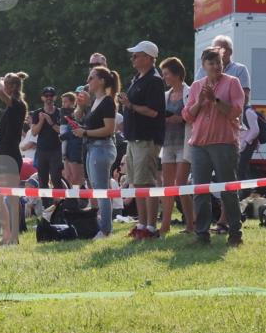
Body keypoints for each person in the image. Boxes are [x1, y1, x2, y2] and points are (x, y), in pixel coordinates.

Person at [183, 46, 246, 246]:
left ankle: (235, 233)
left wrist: (215, 100)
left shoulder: (232, 83)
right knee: (200, 190)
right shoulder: (196, 86)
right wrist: (200, 102)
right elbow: (188, 115)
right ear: (204, 65)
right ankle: (202, 234)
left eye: (218, 62)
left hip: (224, 143)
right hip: (199, 144)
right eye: (211, 63)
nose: (216, 66)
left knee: (228, 189)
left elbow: (235, 111)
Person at [117, 41, 166, 239]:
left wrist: (130, 105)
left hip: (147, 138)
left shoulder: (154, 80)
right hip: (134, 138)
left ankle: (151, 227)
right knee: (137, 183)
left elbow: (154, 111)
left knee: (147, 183)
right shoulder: (137, 78)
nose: (133, 59)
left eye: (136, 55)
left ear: (147, 57)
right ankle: (142, 224)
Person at [73, 66, 120, 240]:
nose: (88, 81)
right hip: (93, 148)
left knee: (102, 191)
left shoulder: (107, 101)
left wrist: (84, 132)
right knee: (98, 189)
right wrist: (83, 129)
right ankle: (103, 226)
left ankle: (106, 230)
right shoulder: (96, 101)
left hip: (101, 148)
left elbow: (109, 129)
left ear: (101, 80)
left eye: (91, 78)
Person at [158, 57, 194, 235]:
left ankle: (191, 223)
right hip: (167, 144)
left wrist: (179, 119)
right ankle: (165, 225)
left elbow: (194, 116)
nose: (164, 78)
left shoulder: (190, 92)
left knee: (181, 185)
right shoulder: (165, 96)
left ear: (177, 74)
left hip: (184, 144)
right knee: (168, 186)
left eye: (166, 74)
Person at [0, 72, 28, 246]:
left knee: (12, 197)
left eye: (6, 84)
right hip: (2, 153)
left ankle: (14, 236)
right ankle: (6, 234)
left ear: (12, 87)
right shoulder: (11, 107)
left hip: (11, 155)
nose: (3, 87)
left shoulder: (18, 105)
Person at [195, 35, 251, 106]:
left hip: (229, 115)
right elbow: (195, 95)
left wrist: (216, 99)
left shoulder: (240, 70)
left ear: (230, 52)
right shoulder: (203, 70)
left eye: (221, 48)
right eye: (214, 49)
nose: (218, 51)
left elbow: (244, 99)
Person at [31, 86, 63, 209]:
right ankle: (46, 207)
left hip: (56, 149)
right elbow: (34, 132)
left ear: (54, 97)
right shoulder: (37, 113)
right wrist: (41, 121)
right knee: (43, 180)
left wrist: (51, 122)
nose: (49, 98)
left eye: (51, 96)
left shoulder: (59, 112)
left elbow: (62, 130)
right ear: (42, 98)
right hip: (42, 150)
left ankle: (60, 205)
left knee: (56, 177)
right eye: (46, 96)